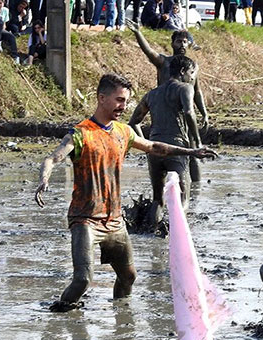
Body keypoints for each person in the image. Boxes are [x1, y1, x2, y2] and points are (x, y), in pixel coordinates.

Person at [34, 73, 218, 313]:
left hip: (115, 222)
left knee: (129, 276)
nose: (124, 106)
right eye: (119, 100)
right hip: (85, 219)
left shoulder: (124, 132)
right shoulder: (81, 133)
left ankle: (121, 318)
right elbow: (53, 157)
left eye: (126, 101)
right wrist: (44, 178)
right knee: (83, 279)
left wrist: (191, 151)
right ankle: (58, 316)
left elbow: (154, 147)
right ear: (102, 98)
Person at [128, 56, 204, 227]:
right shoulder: (185, 88)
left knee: (157, 200)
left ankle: (151, 235)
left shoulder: (152, 94)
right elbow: (189, 112)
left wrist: (147, 145)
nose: (193, 78)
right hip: (177, 147)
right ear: (183, 72)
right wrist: (197, 142)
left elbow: (133, 122)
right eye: (192, 73)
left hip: (155, 148)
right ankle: (176, 233)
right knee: (183, 196)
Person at [128, 24, 209, 181]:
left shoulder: (190, 67)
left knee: (193, 151)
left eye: (185, 42)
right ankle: (176, 191)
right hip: (165, 111)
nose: (182, 45)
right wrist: (139, 33)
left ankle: (196, 187)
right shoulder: (164, 63)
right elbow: (149, 52)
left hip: (183, 114)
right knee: (176, 151)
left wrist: (204, 113)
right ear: (172, 44)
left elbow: (197, 91)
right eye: (179, 41)